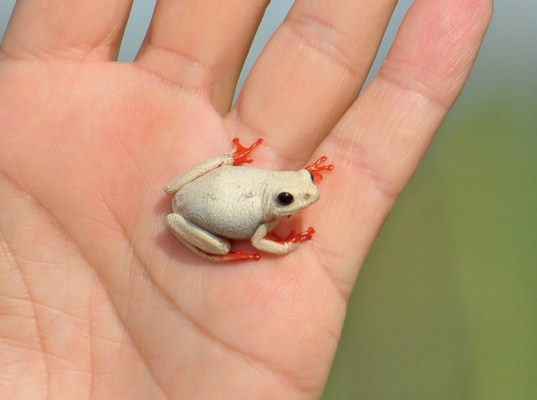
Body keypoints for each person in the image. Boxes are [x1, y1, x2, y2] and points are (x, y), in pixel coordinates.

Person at [0, 1, 492, 398]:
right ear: (276, 201)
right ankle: (218, 250)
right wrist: (281, 246)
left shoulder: (279, 184)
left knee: (213, 190)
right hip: (196, 207)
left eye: (299, 190)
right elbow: (263, 236)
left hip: (198, 186)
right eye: (292, 199)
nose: (306, 198)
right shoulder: (263, 219)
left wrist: (286, 174)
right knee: (213, 231)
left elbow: (285, 182)